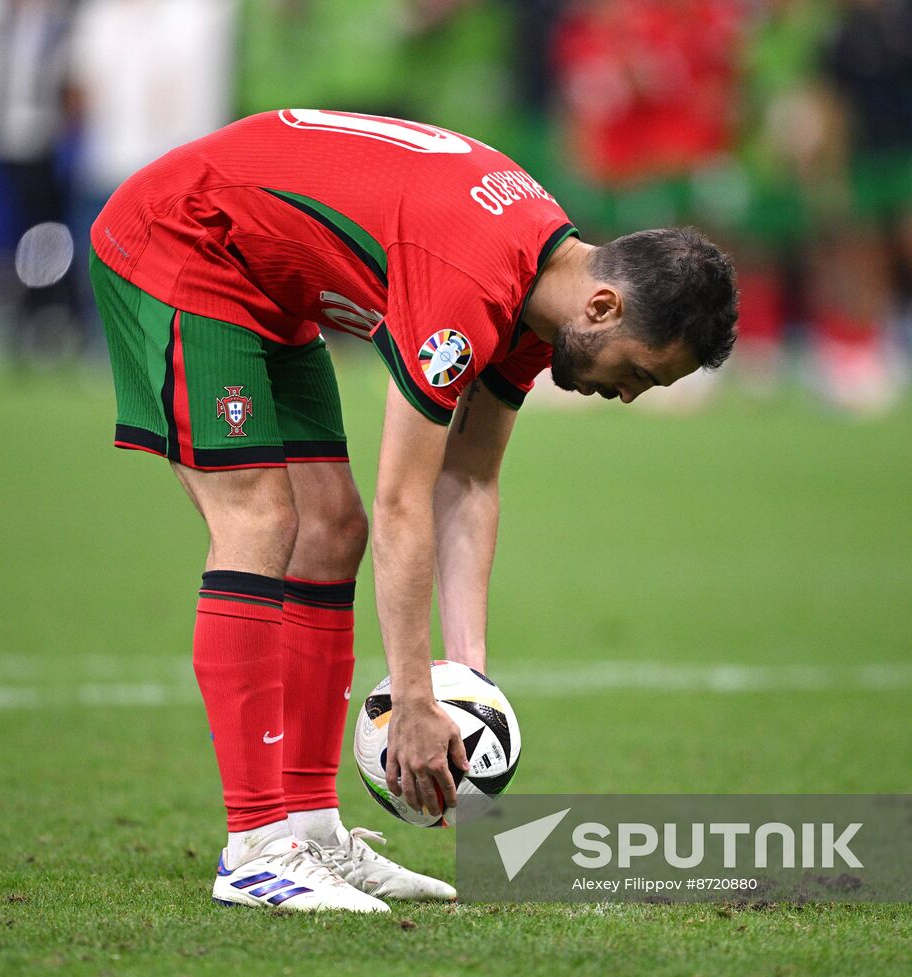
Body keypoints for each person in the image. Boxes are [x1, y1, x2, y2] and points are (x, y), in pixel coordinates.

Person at [88, 109, 737, 912]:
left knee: (330, 531)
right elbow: (404, 499)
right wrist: (413, 702)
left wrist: (464, 683)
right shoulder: (471, 285)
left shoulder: (544, 298)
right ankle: (256, 849)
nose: (628, 395)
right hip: (180, 241)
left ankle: (310, 830)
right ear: (602, 308)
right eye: (639, 372)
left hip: (263, 274)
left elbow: (468, 480)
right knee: (259, 522)